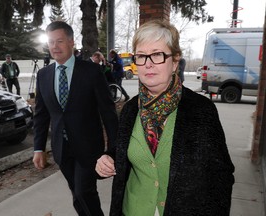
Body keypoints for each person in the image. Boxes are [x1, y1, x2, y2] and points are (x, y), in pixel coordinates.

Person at [96, 19, 235, 215]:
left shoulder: (201, 110)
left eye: (157, 55)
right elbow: (122, 149)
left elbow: (221, 175)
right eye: (142, 56)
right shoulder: (130, 110)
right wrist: (107, 159)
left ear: (175, 61)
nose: (148, 64)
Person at [32, 21, 118, 216]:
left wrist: (114, 149)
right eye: (51, 42)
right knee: (77, 193)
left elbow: (108, 112)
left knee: (83, 191)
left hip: (88, 147)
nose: (55, 46)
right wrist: (38, 147)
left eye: (60, 41)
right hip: (61, 148)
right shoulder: (43, 75)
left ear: (71, 42)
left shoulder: (91, 71)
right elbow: (41, 115)